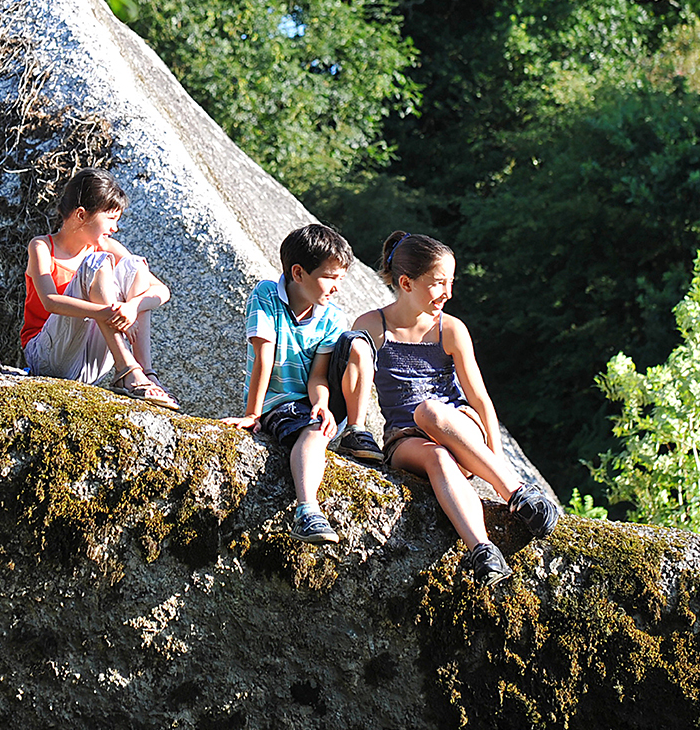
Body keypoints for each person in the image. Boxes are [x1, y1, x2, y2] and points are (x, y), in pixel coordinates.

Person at [351, 231, 561, 584]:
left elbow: (479, 399)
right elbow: (352, 378)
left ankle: (517, 493)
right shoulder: (372, 327)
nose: (448, 293)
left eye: (451, 282)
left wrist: (496, 458)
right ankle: (483, 551)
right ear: (406, 282)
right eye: (438, 283)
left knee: (430, 412)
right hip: (407, 442)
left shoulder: (450, 329)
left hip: (458, 426)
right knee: (436, 456)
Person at [223, 223, 384, 545]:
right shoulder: (267, 294)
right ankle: (307, 511)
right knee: (311, 431)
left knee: (358, 343)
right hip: (279, 404)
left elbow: (318, 376)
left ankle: (355, 430)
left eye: (341, 278)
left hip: (314, 400)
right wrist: (253, 414)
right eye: (330, 277)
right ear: (298, 273)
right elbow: (264, 357)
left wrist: (322, 405)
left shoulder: (331, 317)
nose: (336, 287)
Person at [22, 169, 178, 409]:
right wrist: (106, 312)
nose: (115, 228)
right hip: (46, 356)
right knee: (96, 264)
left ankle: (143, 372)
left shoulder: (108, 246)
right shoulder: (42, 246)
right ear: (81, 215)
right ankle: (128, 369)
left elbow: (161, 291)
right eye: (111, 218)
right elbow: (50, 301)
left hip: (89, 364)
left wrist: (131, 307)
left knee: (134, 266)